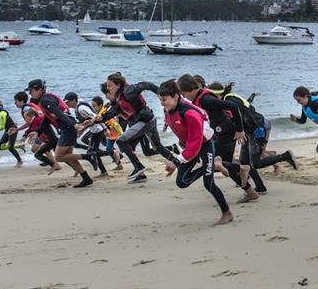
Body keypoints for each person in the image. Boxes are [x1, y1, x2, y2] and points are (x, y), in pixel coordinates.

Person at [158, 79, 233, 225]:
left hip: (204, 145)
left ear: (175, 97)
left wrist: (176, 161)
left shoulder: (190, 113)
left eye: (164, 100)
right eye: (160, 100)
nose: (162, 104)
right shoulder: (169, 107)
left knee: (208, 183)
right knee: (182, 182)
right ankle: (213, 166)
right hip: (190, 146)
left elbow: (195, 144)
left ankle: (227, 213)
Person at [177, 75, 260, 203]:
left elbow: (233, 106)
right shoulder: (197, 98)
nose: (183, 97)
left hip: (227, 133)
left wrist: (240, 130)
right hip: (220, 133)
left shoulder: (206, 100)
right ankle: (250, 190)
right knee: (223, 165)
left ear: (189, 89)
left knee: (218, 164)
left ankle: (242, 170)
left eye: (183, 93)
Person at [88, 72, 176, 183]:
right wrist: (94, 121)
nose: (108, 88)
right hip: (149, 119)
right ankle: (176, 162)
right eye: (107, 86)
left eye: (110, 85)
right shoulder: (117, 99)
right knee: (156, 148)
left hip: (145, 120)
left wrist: (160, 94)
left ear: (118, 84)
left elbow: (145, 84)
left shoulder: (128, 91)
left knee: (121, 141)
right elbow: (110, 114)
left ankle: (139, 167)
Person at [26, 79, 93, 188]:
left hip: (68, 128)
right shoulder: (46, 98)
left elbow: (59, 113)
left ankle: (89, 156)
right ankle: (86, 178)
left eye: (31, 90)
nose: (30, 93)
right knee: (68, 157)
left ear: (38, 89)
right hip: (67, 128)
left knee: (59, 157)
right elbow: (47, 120)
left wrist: (73, 125)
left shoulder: (45, 100)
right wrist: (37, 132)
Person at [66, 92, 114, 178]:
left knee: (92, 152)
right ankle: (104, 171)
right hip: (94, 130)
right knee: (92, 152)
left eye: (67, 102)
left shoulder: (81, 108)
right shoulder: (79, 103)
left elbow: (96, 116)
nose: (66, 104)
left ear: (73, 100)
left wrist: (105, 129)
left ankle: (112, 153)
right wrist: (81, 129)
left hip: (98, 130)